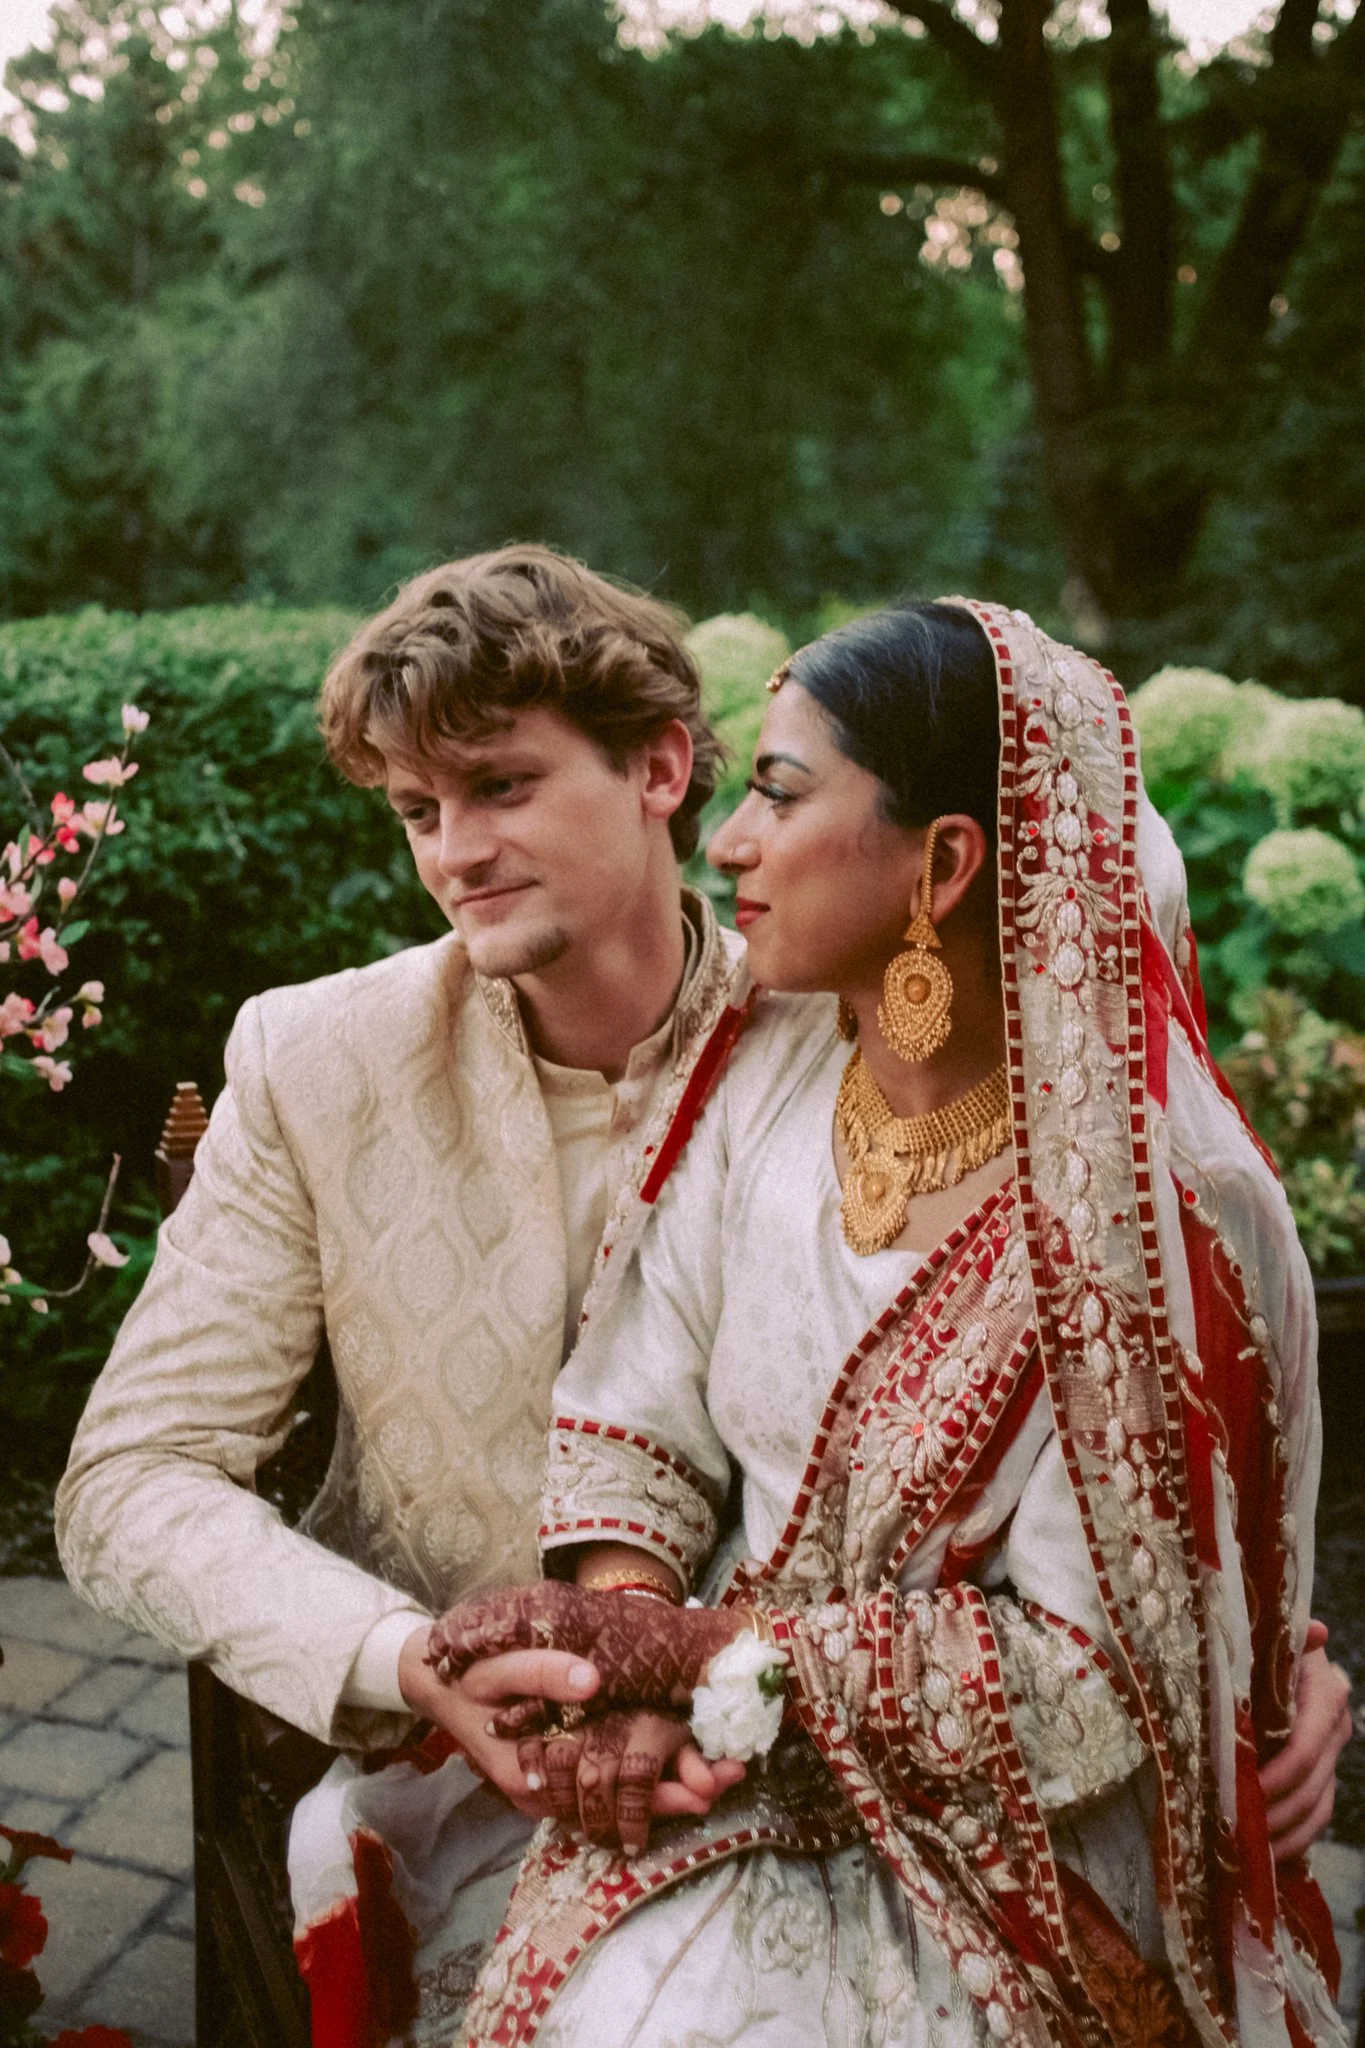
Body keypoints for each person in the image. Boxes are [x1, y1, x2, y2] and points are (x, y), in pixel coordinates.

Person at [428, 601, 1350, 2048]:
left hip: (1009, 1843)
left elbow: (1091, 1678)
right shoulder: (761, 1075)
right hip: (720, 1756)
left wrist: (718, 1668)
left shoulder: (1157, 1218)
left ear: (945, 863)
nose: (730, 841)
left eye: (780, 794)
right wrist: (632, 1637)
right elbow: (634, 1414)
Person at [54, 544, 751, 2047]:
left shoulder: (831, 1043)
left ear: (660, 768)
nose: (454, 853)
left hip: (779, 1754)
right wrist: (404, 1664)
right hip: (452, 1768)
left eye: (500, 785)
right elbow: (130, 1477)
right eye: (418, 811)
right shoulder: (317, 1061)